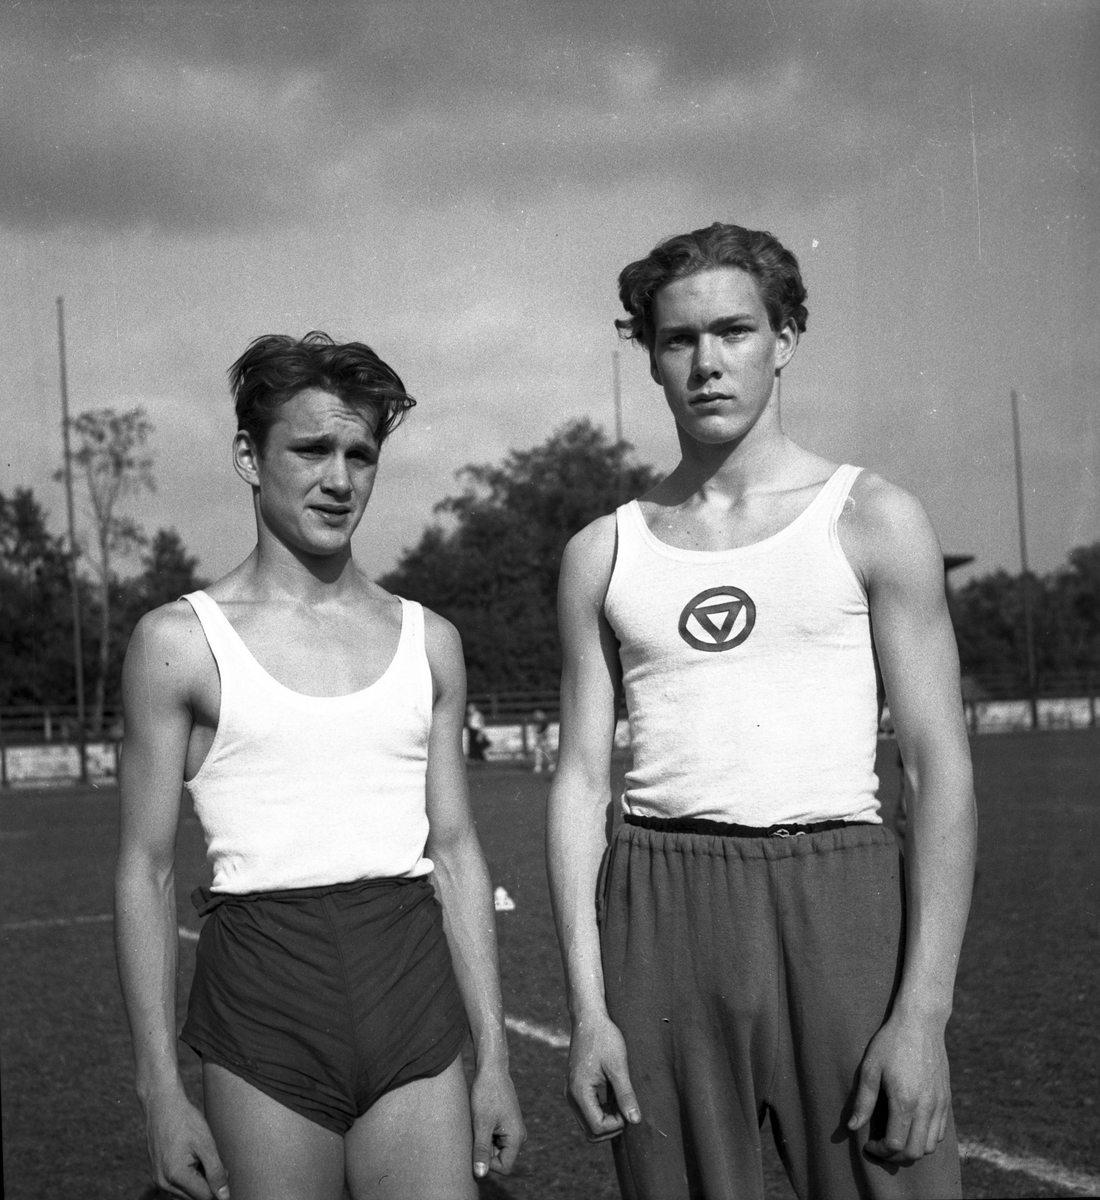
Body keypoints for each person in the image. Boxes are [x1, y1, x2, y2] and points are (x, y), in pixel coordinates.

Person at [547, 224, 976, 1200]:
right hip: (662, 906)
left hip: (840, 897)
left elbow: (935, 767)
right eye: (678, 338)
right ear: (650, 355)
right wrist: (588, 1011)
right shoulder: (603, 552)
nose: (707, 362)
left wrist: (922, 1017)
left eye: (734, 331)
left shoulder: (871, 517)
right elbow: (577, 785)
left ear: (783, 339)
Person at [115, 331, 524, 1200]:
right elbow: (145, 870)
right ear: (248, 457)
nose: (339, 479)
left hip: (410, 998)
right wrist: (160, 1094)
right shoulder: (178, 643)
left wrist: (493, 1057)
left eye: (360, 454)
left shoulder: (430, 641)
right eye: (310, 450)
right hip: (264, 1004)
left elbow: (455, 851)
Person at [531, 708, 553, 774]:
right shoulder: (535, 722)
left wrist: (541, 736)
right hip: (538, 739)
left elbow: (545, 732)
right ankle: (538, 766)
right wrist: (537, 737)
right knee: (538, 753)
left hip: (544, 739)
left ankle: (551, 765)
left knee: (547, 752)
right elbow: (535, 730)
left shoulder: (544, 722)